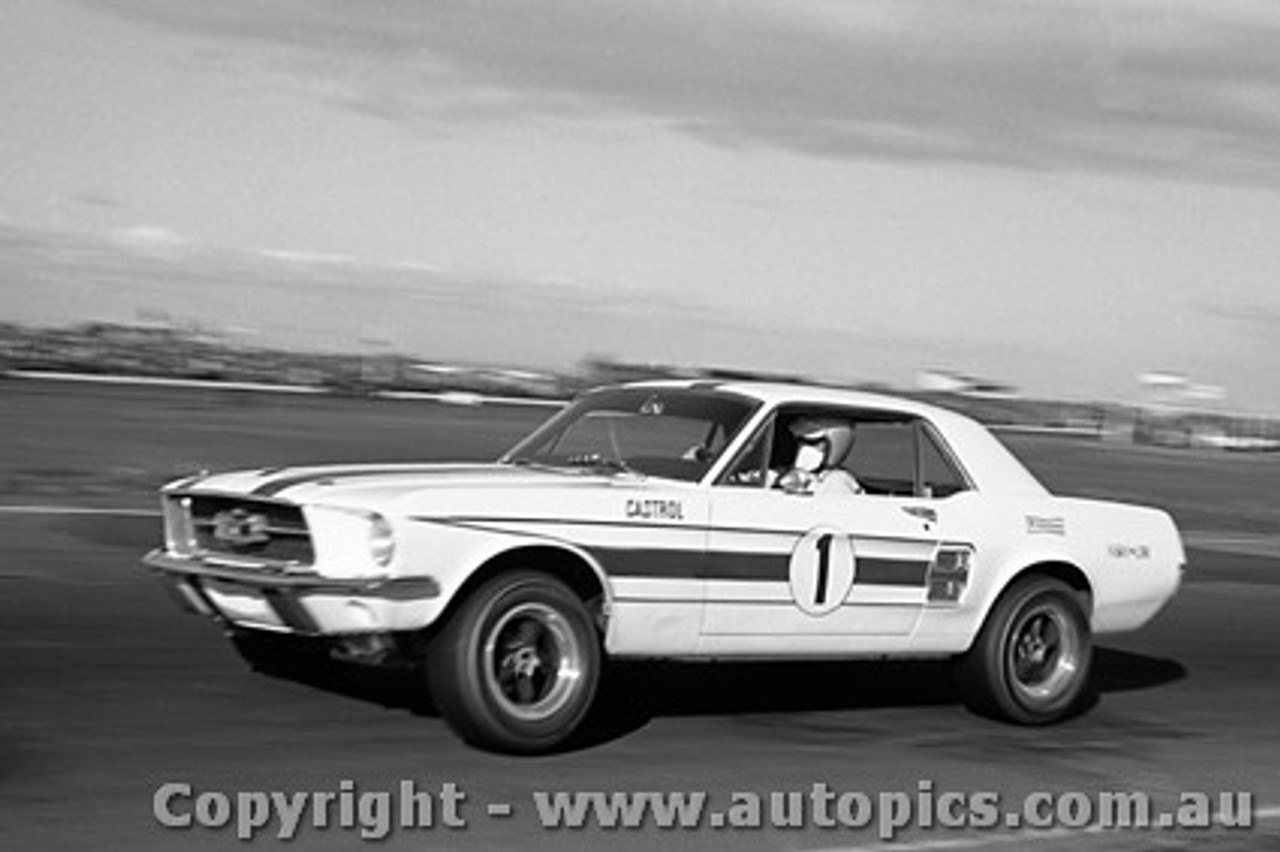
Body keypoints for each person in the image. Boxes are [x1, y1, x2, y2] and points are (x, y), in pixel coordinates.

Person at [777, 418, 863, 495]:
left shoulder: (837, 482)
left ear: (836, 445)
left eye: (813, 442)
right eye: (800, 441)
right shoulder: (791, 473)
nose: (802, 447)